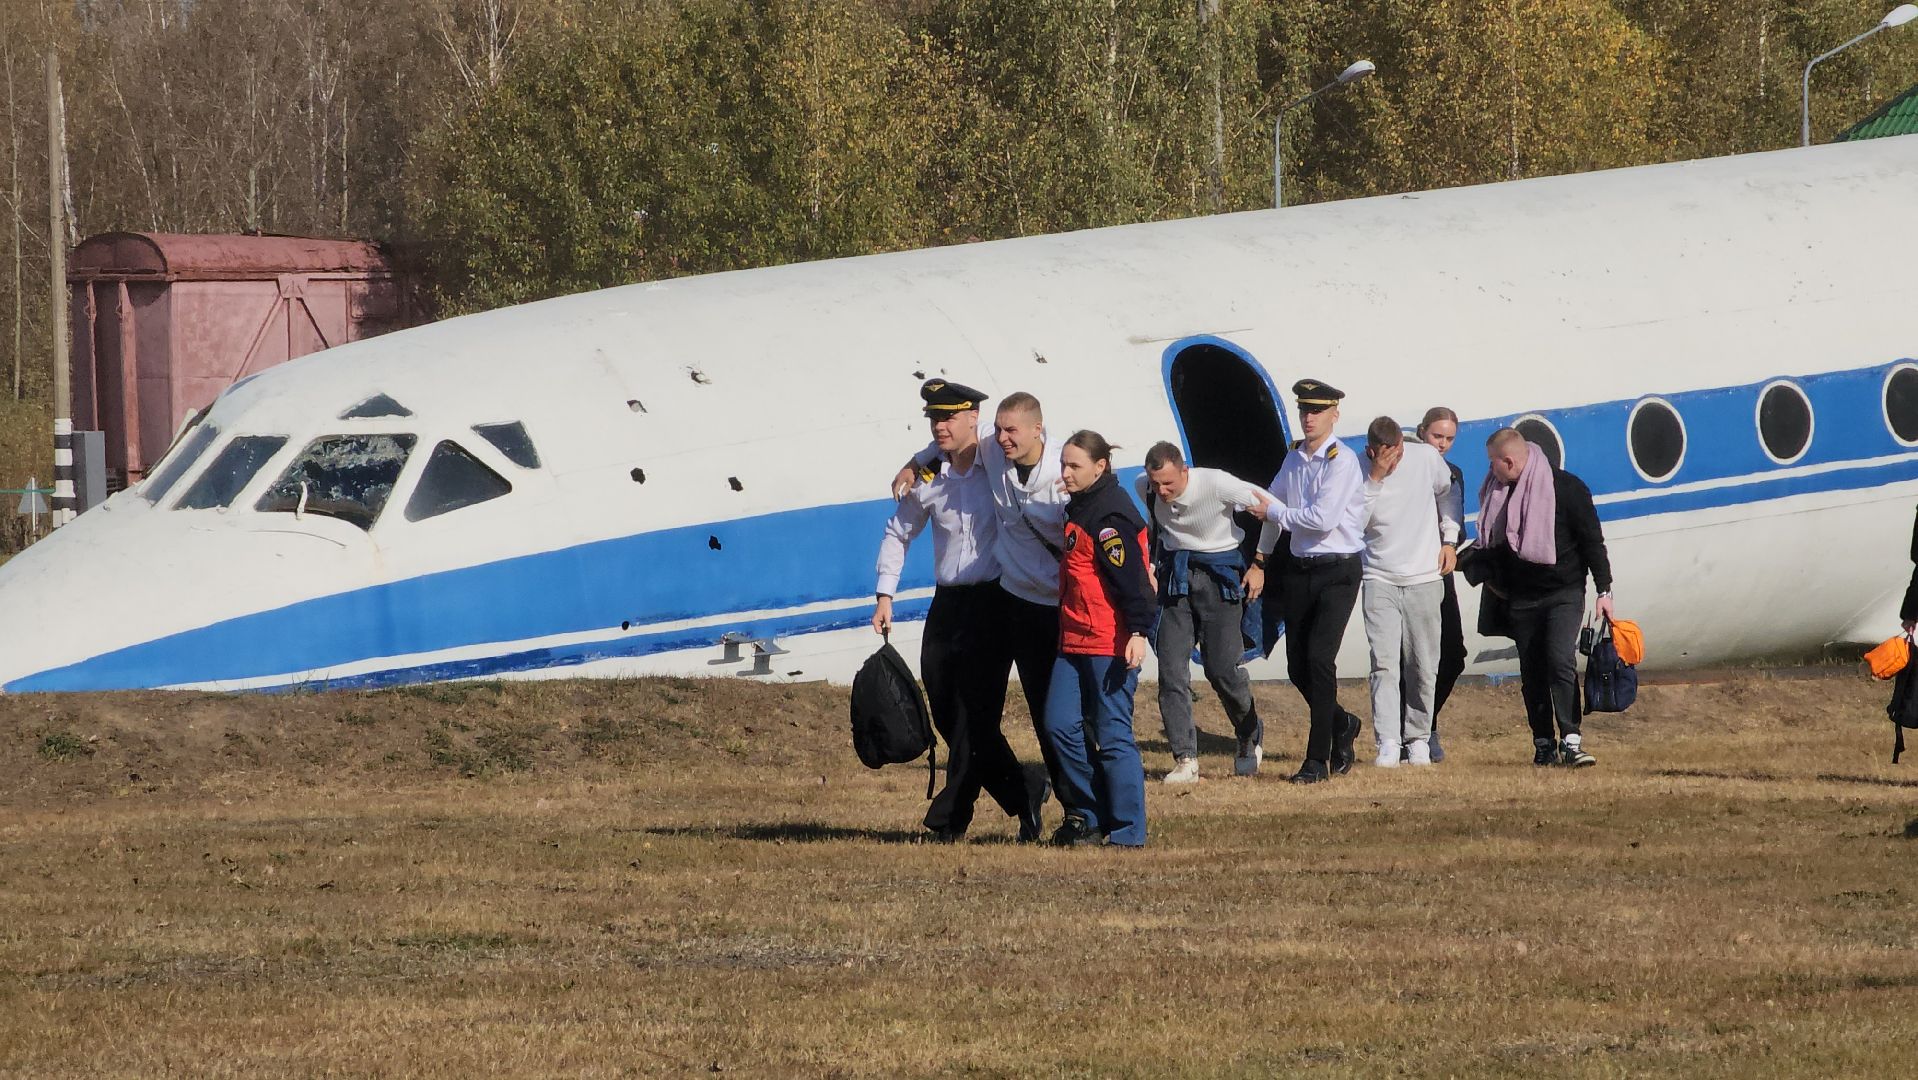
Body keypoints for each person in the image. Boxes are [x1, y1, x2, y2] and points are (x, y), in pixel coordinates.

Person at [873, 379, 1043, 841]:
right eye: (934, 418)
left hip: (993, 600)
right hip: (948, 603)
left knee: (978, 716)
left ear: (973, 417)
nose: (940, 425)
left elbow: (1027, 445)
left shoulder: (996, 458)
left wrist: (919, 455)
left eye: (949, 416)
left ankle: (950, 820)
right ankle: (1024, 788)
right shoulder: (929, 477)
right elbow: (897, 532)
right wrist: (885, 593)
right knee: (947, 713)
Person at [1478, 427, 1616, 768]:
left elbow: (1592, 542)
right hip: (1521, 598)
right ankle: (1543, 742)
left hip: (1563, 592)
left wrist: (1604, 590)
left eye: (1493, 463)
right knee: (1533, 671)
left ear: (1508, 461)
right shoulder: (1499, 493)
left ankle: (1571, 738)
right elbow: (1494, 547)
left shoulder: (1566, 488)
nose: (1490, 471)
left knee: (1559, 661)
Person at [1137, 441, 1275, 781]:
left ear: (1185, 471)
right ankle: (1185, 759)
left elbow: (1275, 512)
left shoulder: (1215, 483)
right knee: (1171, 671)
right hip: (1176, 577)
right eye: (1156, 484)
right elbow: (1156, 531)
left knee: (1222, 669)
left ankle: (1248, 733)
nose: (1162, 491)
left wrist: (1258, 564)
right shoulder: (1146, 488)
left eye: (1169, 483)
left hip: (1219, 576)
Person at [1044, 430, 1154, 847]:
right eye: (1063, 465)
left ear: (1099, 467)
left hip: (1108, 642)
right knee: (1058, 725)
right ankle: (1089, 814)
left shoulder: (1109, 518)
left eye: (1074, 466)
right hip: (1072, 639)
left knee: (1112, 736)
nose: (1065, 474)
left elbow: (1134, 582)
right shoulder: (1081, 506)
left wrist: (1139, 632)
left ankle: (1128, 831)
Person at [1257, 379, 1368, 785]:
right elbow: (1270, 501)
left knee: (1320, 660)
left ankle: (1315, 760)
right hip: (1301, 568)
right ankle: (1341, 722)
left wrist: (1275, 515)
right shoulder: (1295, 457)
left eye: (1317, 411)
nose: (1309, 417)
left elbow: (1321, 520)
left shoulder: (1342, 460)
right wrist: (1260, 557)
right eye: (1305, 410)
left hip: (1338, 569)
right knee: (1298, 667)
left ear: (1334, 415)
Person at [1357, 417, 1459, 767]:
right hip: (1378, 576)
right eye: (1386, 455)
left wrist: (1449, 540)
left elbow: (1449, 492)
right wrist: (1375, 477)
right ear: (1372, 450)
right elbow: (1354, 523)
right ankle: (1387, 740)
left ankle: (1418, 737)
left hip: (1424, 576)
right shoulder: (1358, 468)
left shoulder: (1426, 458)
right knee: (1383, 663)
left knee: (1423, 663)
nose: (1394, 460)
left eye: (1398, 452)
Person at [1404, 407, 1467, 763]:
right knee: (1410, 655)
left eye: (1448, 439)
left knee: (1453, 654)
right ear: (1422, 432)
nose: (1441, 444)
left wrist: (1452, 546)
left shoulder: (1451, 473)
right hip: (1407, 573)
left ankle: (1426, 722)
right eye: (1436, 437)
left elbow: (1456, 520)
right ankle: (1410, 731)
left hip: (1439, 572)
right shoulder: (1407, 468)